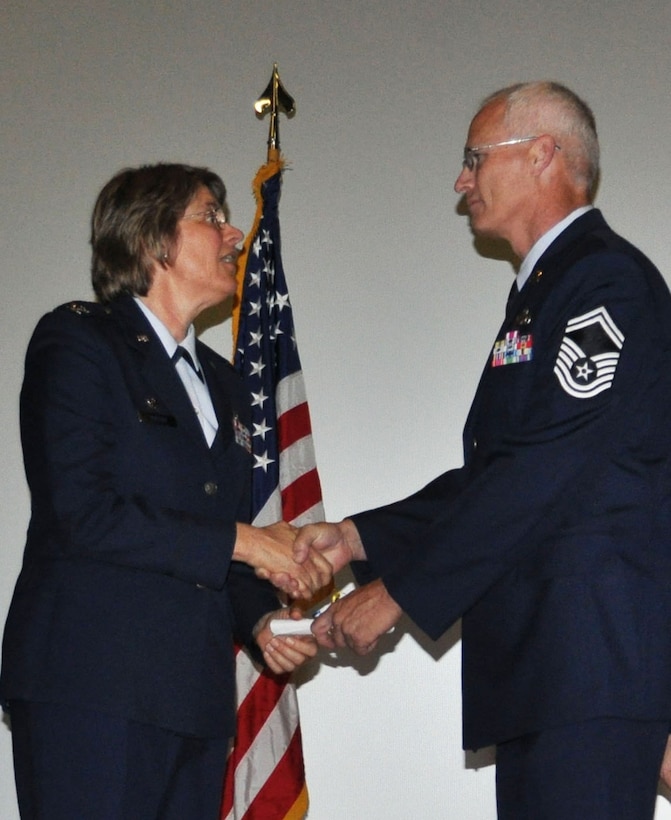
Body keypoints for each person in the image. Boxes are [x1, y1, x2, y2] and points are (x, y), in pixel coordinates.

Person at [292, 82, 671, 818]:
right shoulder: (546, 291)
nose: (460, 180)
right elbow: (499, 472)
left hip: (588, 666)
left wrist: (398, 593)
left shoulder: (603, 282)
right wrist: (357, 539)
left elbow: (544, 468)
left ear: (541, 156)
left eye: (473, 158)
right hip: (549, 667)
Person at [0, 163, 332, 820]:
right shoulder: (79, 340)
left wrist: (261, 621)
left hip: (192, 697)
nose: (233, 232)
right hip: (92, 684)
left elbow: (218, 536)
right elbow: (82, 513)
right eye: (210, 215)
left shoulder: (224, 381)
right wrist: (248, 542)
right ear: (154, 240)